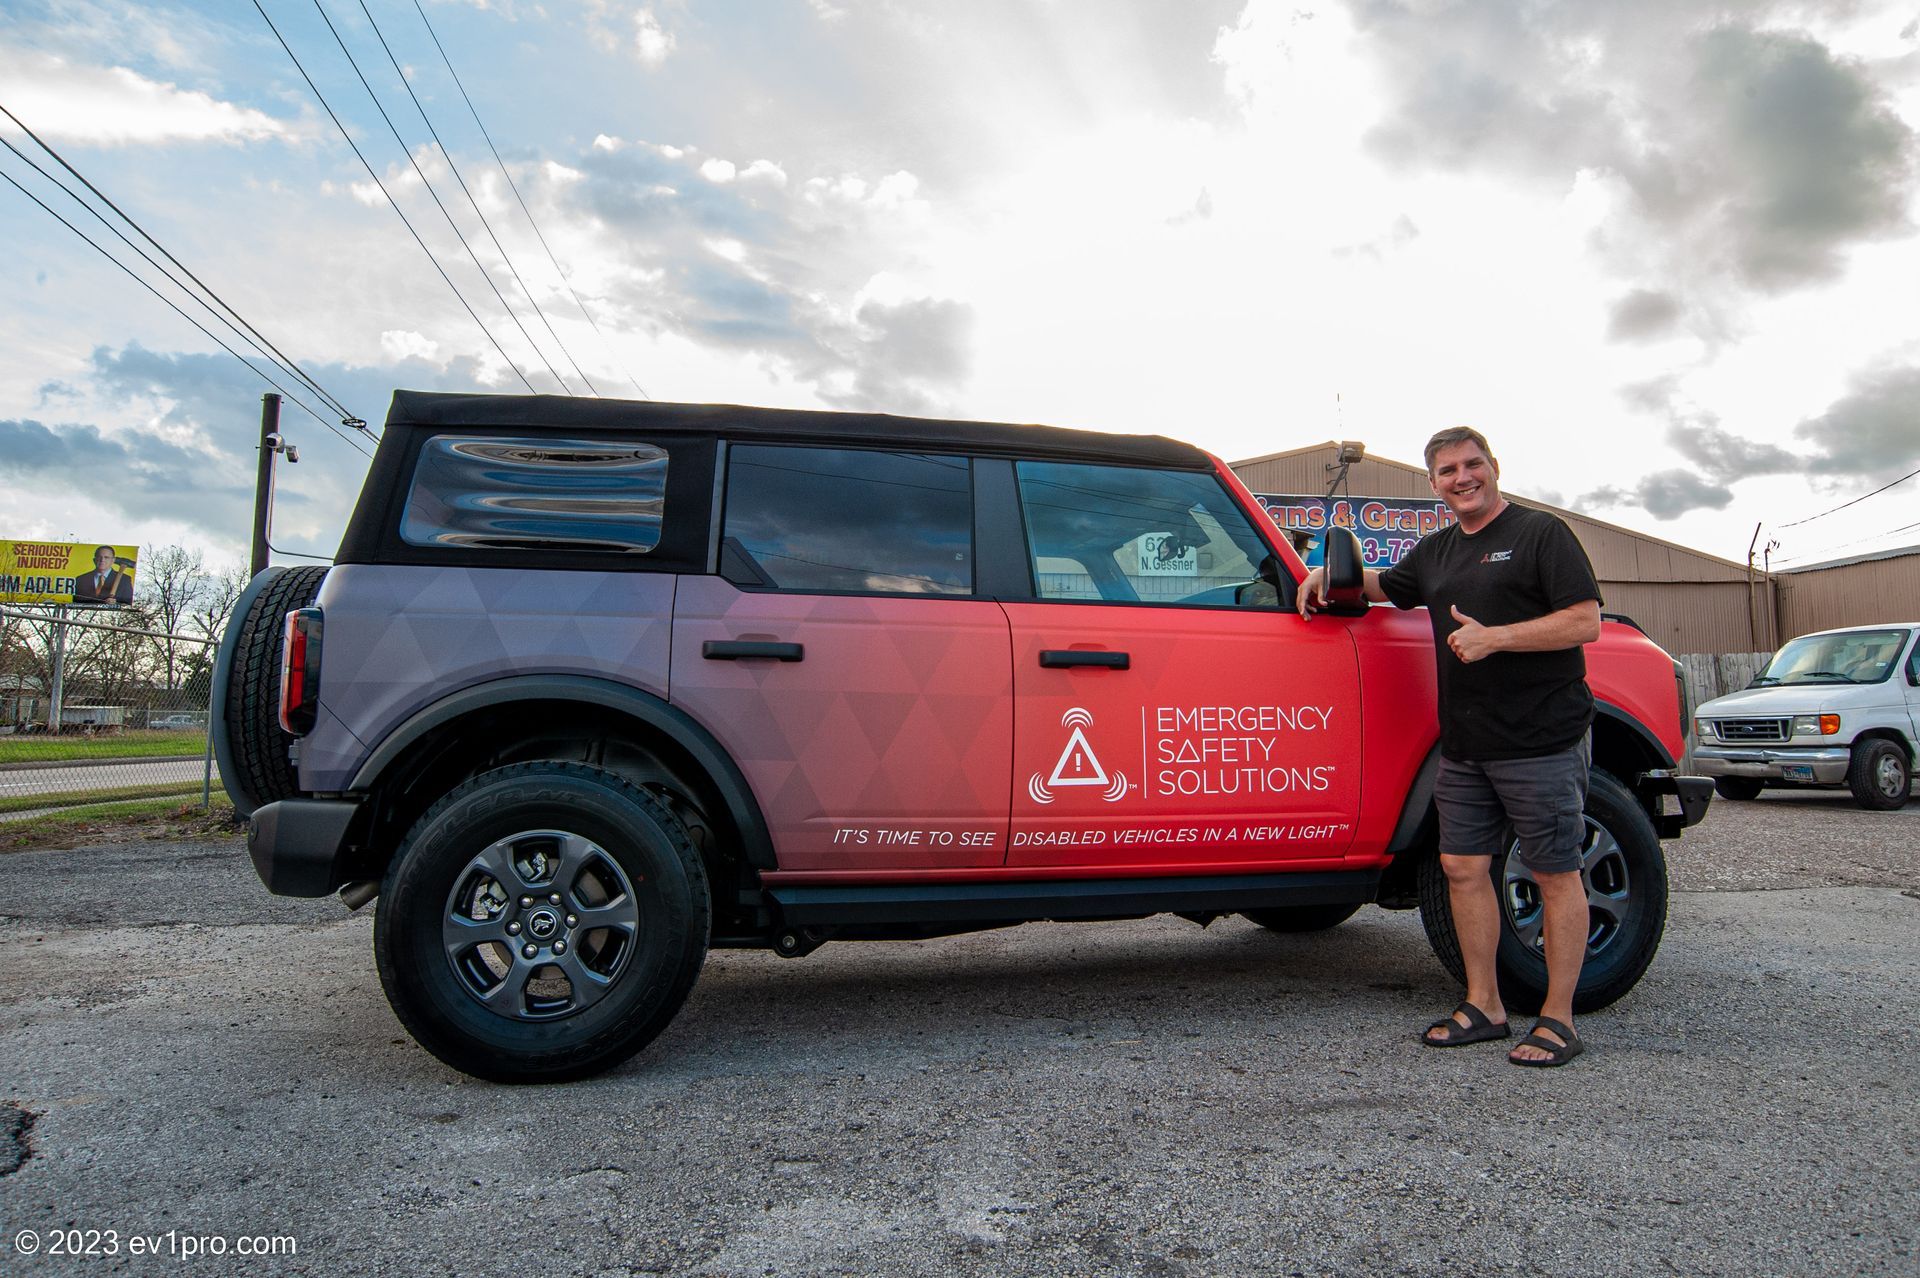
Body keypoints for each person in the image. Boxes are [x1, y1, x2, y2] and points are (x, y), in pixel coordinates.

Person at [1298, 427, 1602, 1067]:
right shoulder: (1434, 551)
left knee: (1553, 871)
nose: (1462, 478)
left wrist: (1498, 639)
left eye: (1472, 465)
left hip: (1540, 738)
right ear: (1432, 483)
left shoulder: (1540, 535)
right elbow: (1386, 586)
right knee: (1463, 869)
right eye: (1447, 471)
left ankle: (1559, 1018)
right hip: (1464, 744)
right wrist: (1328, 574)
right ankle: (1485, 1005)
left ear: (1493, 467)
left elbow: (1584, 620)